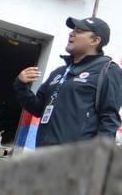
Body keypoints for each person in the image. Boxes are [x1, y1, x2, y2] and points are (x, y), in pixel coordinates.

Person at [14, 17, 122, 148]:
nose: (72, 33)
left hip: (75, 161)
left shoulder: (108, 71)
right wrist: (21, 85)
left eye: (80, 31)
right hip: (43, 156)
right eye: (73, 30)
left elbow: (109, 119)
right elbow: (37, 108)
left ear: (95, 40)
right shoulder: (59, 72)